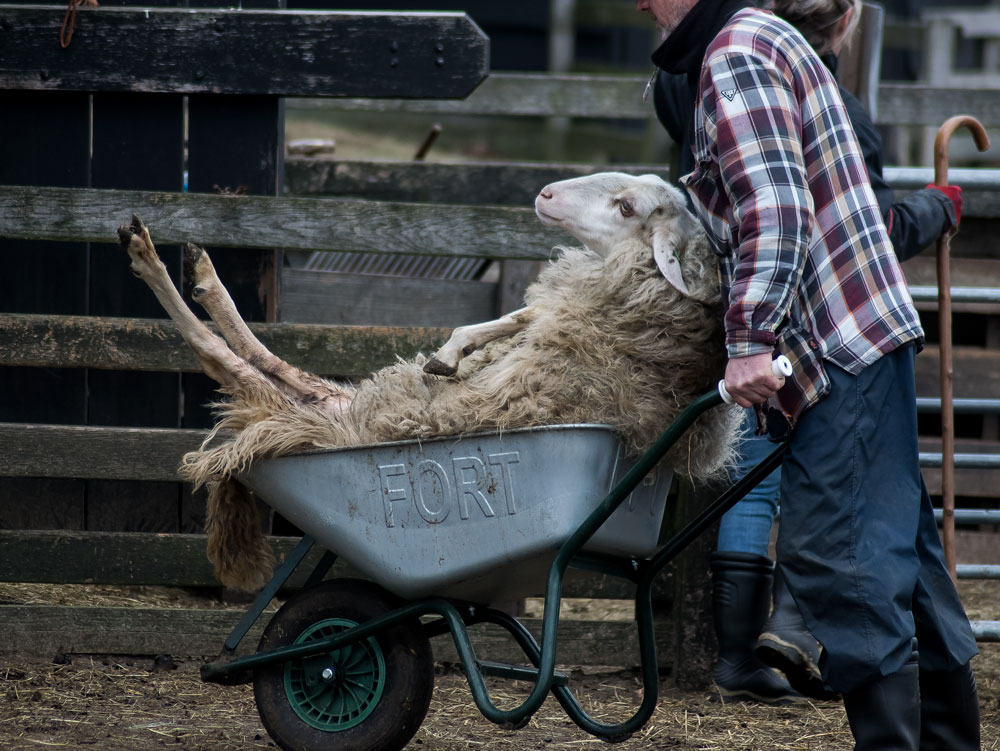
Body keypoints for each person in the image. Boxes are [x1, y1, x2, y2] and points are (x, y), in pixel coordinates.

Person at [635, 0, 981, 748]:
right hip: (864, 337)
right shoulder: (756, 41)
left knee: (844, 562)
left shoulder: (734, 56)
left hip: (834, 347)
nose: (638, 4)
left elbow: (776, 208)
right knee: (904, 562)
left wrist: (749, 339)